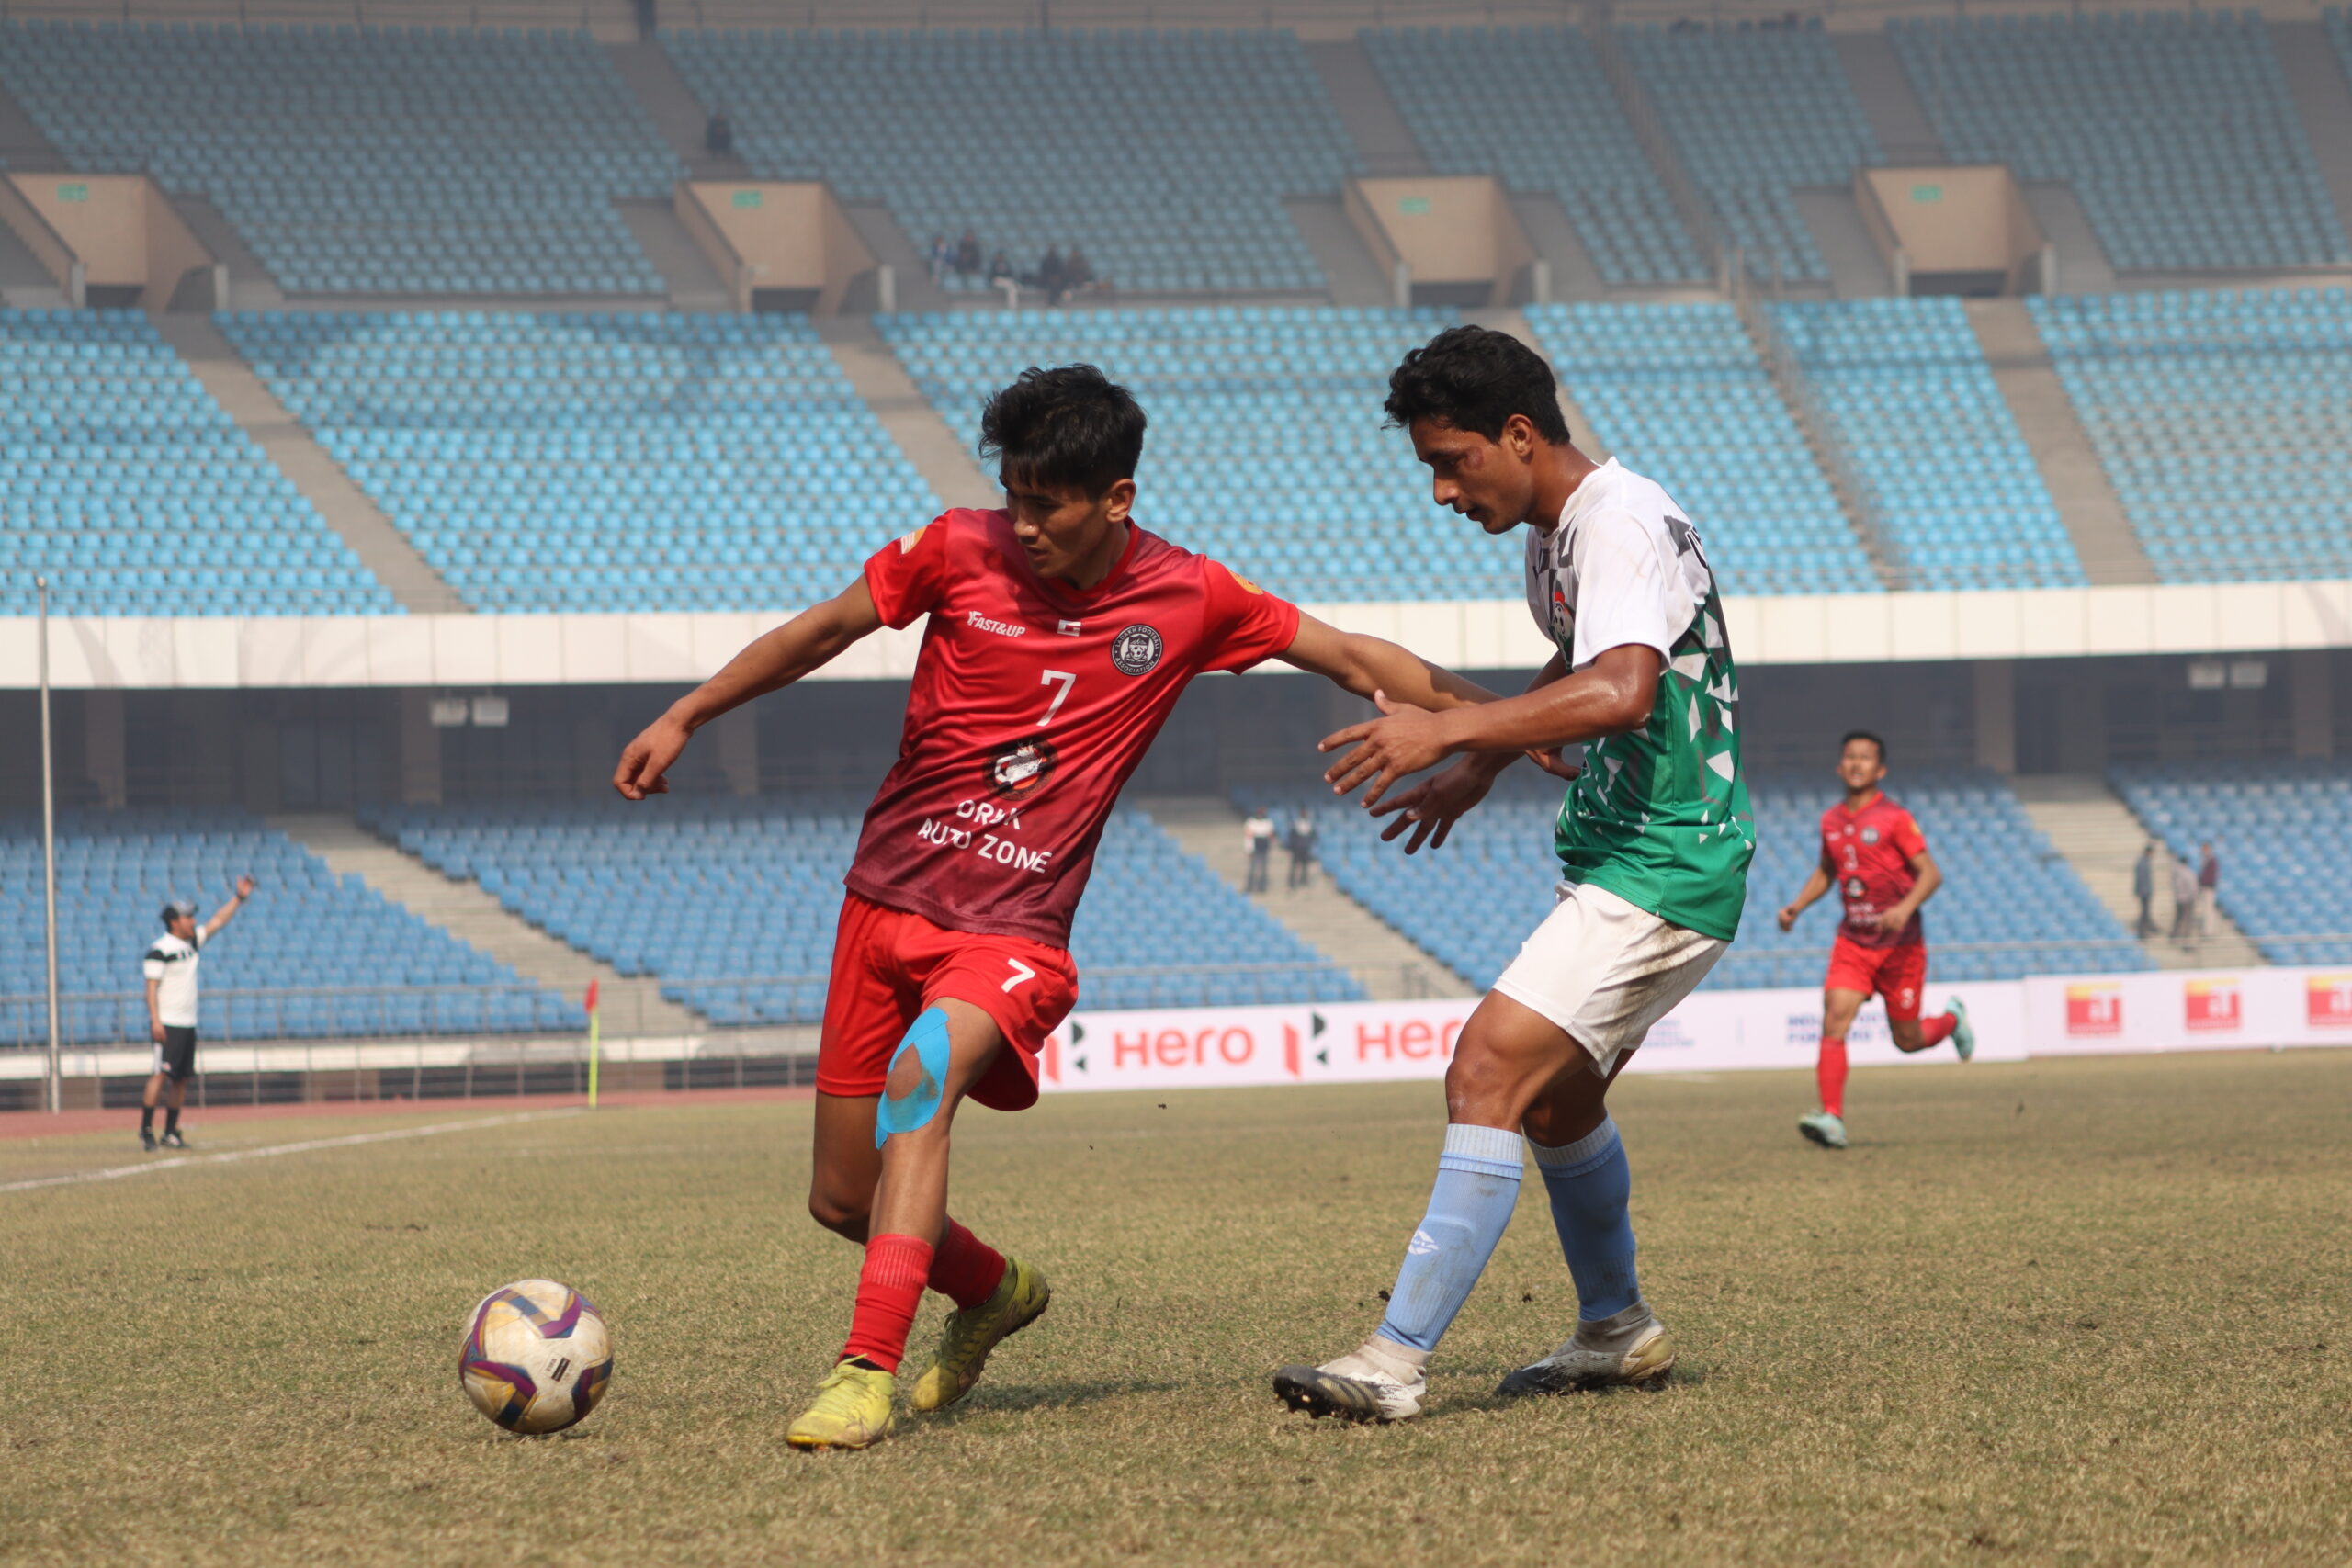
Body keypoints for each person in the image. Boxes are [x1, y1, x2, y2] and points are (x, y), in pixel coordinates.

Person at [613, 364, 1501, 1450]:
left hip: (1012, 930)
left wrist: (1509, 723)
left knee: (920, 1082)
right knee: (841, 1200)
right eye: (1013, 497)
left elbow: (1357, 657)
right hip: (880, 903)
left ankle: (863, 1372)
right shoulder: (954, 548)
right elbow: (822, 631)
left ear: (1116, 499)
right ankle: (993, 1291)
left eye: (1046, 505)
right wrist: (688, 714)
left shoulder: (1191, 596)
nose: (1022, 525)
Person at [1272, 323, 1752, 1423]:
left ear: (1521, 434)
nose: (1442, 492)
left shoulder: (1615, 521)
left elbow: (1622, 689)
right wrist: (1483, 763)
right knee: (1555, 1102)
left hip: (1668, 858)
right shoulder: (1561, 531)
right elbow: (1583, 660)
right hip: (1632, 850)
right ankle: (1615, 1328)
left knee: (1486, 1066)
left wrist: (1451, 730)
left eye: (1453, 462)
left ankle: (1391, 1362)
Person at [1773, 732, 1973, 1151]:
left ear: (1880, 770)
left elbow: (1931, 874)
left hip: (1902, 946)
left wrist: (1904, 908)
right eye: (1850, 756)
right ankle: (1832, 1118)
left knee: (1908, 1040)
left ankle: (1952, 1020)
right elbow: (1827, 871)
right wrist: (1797, 906)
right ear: (1840, 766)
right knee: (1835, 1016)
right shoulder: (1830, 821)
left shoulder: (1895, 818)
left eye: (1865, 758)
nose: (1856, 763)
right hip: (1854, 942)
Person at [140, 876, 255, 1151]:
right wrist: (156, 1021)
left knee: (181, 1079)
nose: (193, 921)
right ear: (173, 922)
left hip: (187, 1023)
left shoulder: (191, 943)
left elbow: (218, 921)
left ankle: (171, 1132)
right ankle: (146, 1130)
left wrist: (239, 898)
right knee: (160, 1075)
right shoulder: (159, 950)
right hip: (168, 1023)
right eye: (187, 917)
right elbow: (151, 989)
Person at [1243, 807, 1274, 894]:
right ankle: (1250, 886)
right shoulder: (1251, 821)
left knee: (1263, 868)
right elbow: (1248, 833)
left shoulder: (1268, 822)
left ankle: (1262, 887)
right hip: (1254, 847)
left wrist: (1258, 833)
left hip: (1264, 847)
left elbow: (1270, 834)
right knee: (1252, 868)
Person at [1285, 808, 1317, 890]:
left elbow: (1313, 836)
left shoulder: (1309, 824)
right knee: (1294, 865)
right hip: (1297, 848)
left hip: (1305, 848)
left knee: (1305, 865)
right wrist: (1292, 848)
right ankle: (1292, 881)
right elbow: (1292, 837)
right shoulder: (1296, 823)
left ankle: (1303, 880)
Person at [2171, 851, 2199, 941]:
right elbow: (2192, 887)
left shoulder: (2176, 872)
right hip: (2187, 900)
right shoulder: (2188, 873)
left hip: (2178, 898)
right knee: (2187, 919)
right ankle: (2185, 937)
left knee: (2178, 918)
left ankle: (2175, 935)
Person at [2133, 840, 2157, 938]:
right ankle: (2142, 931)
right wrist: (2140, 891)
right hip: (2144, 892)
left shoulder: (2145, 862)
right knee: (2144, 912)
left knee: (2146, 912)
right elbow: (2140, 878)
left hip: (2146, 891)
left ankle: (2146, 929)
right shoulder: (2142, 863)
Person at [2197, 841, 2220, 940]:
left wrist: (2203, 882)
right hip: (2205, 887)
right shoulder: (2205, 860)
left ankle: (2208, 931)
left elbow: (2210, 876)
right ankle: (2206, 929)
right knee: (2206, 909)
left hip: (2208, 887)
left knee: (2208, 909)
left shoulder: (2211, 860)